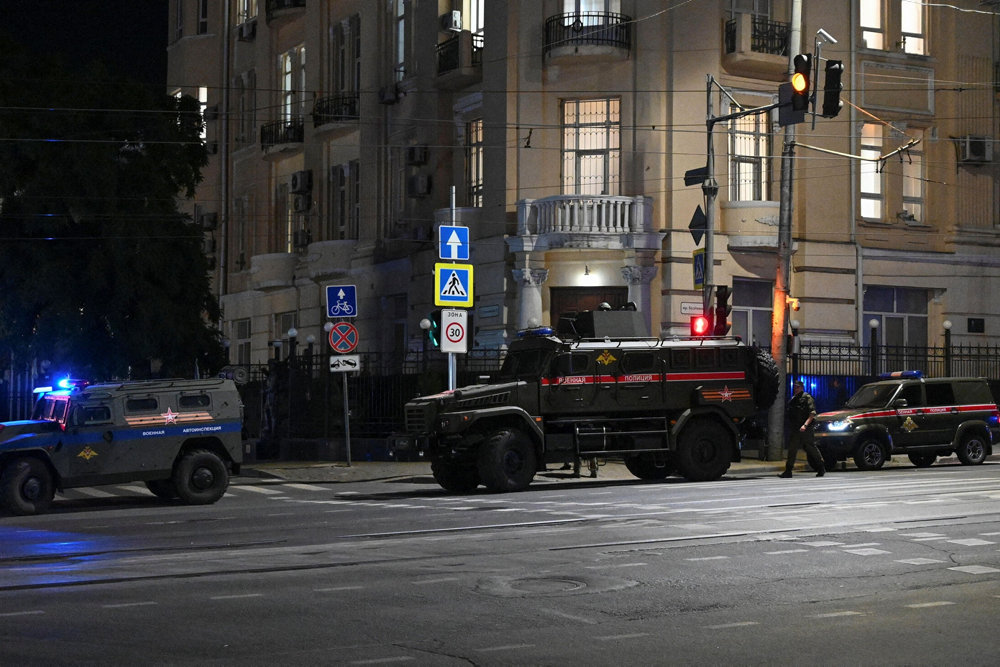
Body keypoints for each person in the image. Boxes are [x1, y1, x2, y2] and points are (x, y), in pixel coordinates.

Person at [780, 380, 825, 478]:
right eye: (794, 387)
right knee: (792, 449)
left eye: (797, 387)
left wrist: (805, 425)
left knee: (810, 447)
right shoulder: (794, 399)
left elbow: (812, 413)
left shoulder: (807, 398)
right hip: (795, 428)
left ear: (801, 387)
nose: (795, 389)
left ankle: (821, 467)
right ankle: (788, 470)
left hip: (806, 428)